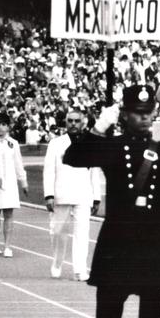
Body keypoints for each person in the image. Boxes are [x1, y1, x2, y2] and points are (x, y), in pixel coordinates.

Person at [63, 85, 160, 318]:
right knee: (109, 308)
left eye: (148, 112)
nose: (145, 118)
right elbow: (73, 157)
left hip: (151, 241)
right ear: (125, 115)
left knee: (153, 310)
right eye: (137, 113)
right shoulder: (112, 147)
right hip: (118, 240)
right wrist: (100, 127)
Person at [43, 109, 102, 280]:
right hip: (61, 193)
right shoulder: (56, 143)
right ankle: (57, 261)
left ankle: (80, 270)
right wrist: (49, 195)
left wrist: (96, 197)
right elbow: (49, 171)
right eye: (70, 121)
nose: (73, 124)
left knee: (82, 233)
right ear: (66, 122)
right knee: (57, 231)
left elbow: (94, 171)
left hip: (83, 193)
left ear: (83, 122)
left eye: (77, 121)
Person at [0, 112, 28, 257]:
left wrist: (23, 181)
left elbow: (18, 164)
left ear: (8, 127)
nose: (1, 128)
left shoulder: (13, 143)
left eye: (4, 125)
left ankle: (8, 246)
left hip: (9, 184)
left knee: (8, 213)